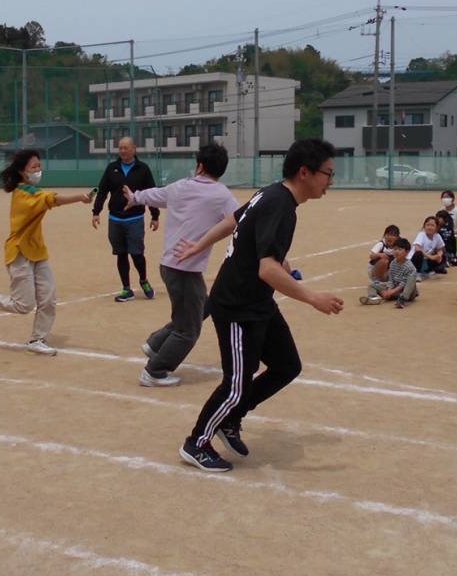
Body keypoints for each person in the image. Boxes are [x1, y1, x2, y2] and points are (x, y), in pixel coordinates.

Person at [176, 138, 346, 473]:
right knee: (237, 382)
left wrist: (199, 244)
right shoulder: (279, 204)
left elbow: (235, 221)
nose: (330, 181)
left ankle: (231, 418)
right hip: (237, 305)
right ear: (304, 172)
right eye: (327, 174)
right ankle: (196, 442)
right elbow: (265, 268)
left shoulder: (273, 195)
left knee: (286, 365)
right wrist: (313, 298)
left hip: (257, 303)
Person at [122, 142, 238, 388]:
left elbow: (153, 194)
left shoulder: (178, 187)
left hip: (169, 266)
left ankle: (155, 345)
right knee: (189, 329)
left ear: (200, 166)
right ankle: (154, 371)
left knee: (196, 311)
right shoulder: (222, 194)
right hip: (185, 270)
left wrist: (134, 197)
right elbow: (240, 220)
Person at [0, 149, 92, 355]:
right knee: (24, 305)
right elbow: (51, 199)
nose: (38, 170)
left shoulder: (33, 191)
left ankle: (37, 339)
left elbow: (47, 198)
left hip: (37, 251)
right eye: (33, 167)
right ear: (22, 172)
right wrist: (79, 197)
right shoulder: (23, 193)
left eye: (39, 166)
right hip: (19, 252)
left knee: (48, 298)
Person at [91, 136, 160, 302]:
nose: (122, 151)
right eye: (120, 148)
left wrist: (155, 215)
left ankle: (143, 280)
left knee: (137, 254)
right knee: (121, 254)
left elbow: (151, 193)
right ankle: (126, 289)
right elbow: (102, 191)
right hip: (115, 220)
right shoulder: (112, 168)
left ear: (134, 149)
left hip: (135, 219)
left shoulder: (142, 169)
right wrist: (96, 211)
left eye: (126, 148)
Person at [360, 237, 418, 308]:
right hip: (396, 290)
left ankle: (403, 299)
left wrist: (391, 292)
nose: (396, 251)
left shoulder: (409, 266)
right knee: (373, 285)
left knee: (411, 277)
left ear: (407, 252)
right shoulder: (393, 263)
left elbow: (403, 283)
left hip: (408, 292)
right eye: (395, 249)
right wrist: (388, 290)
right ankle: (373, 298)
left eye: (400, 249)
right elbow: (391, 280)